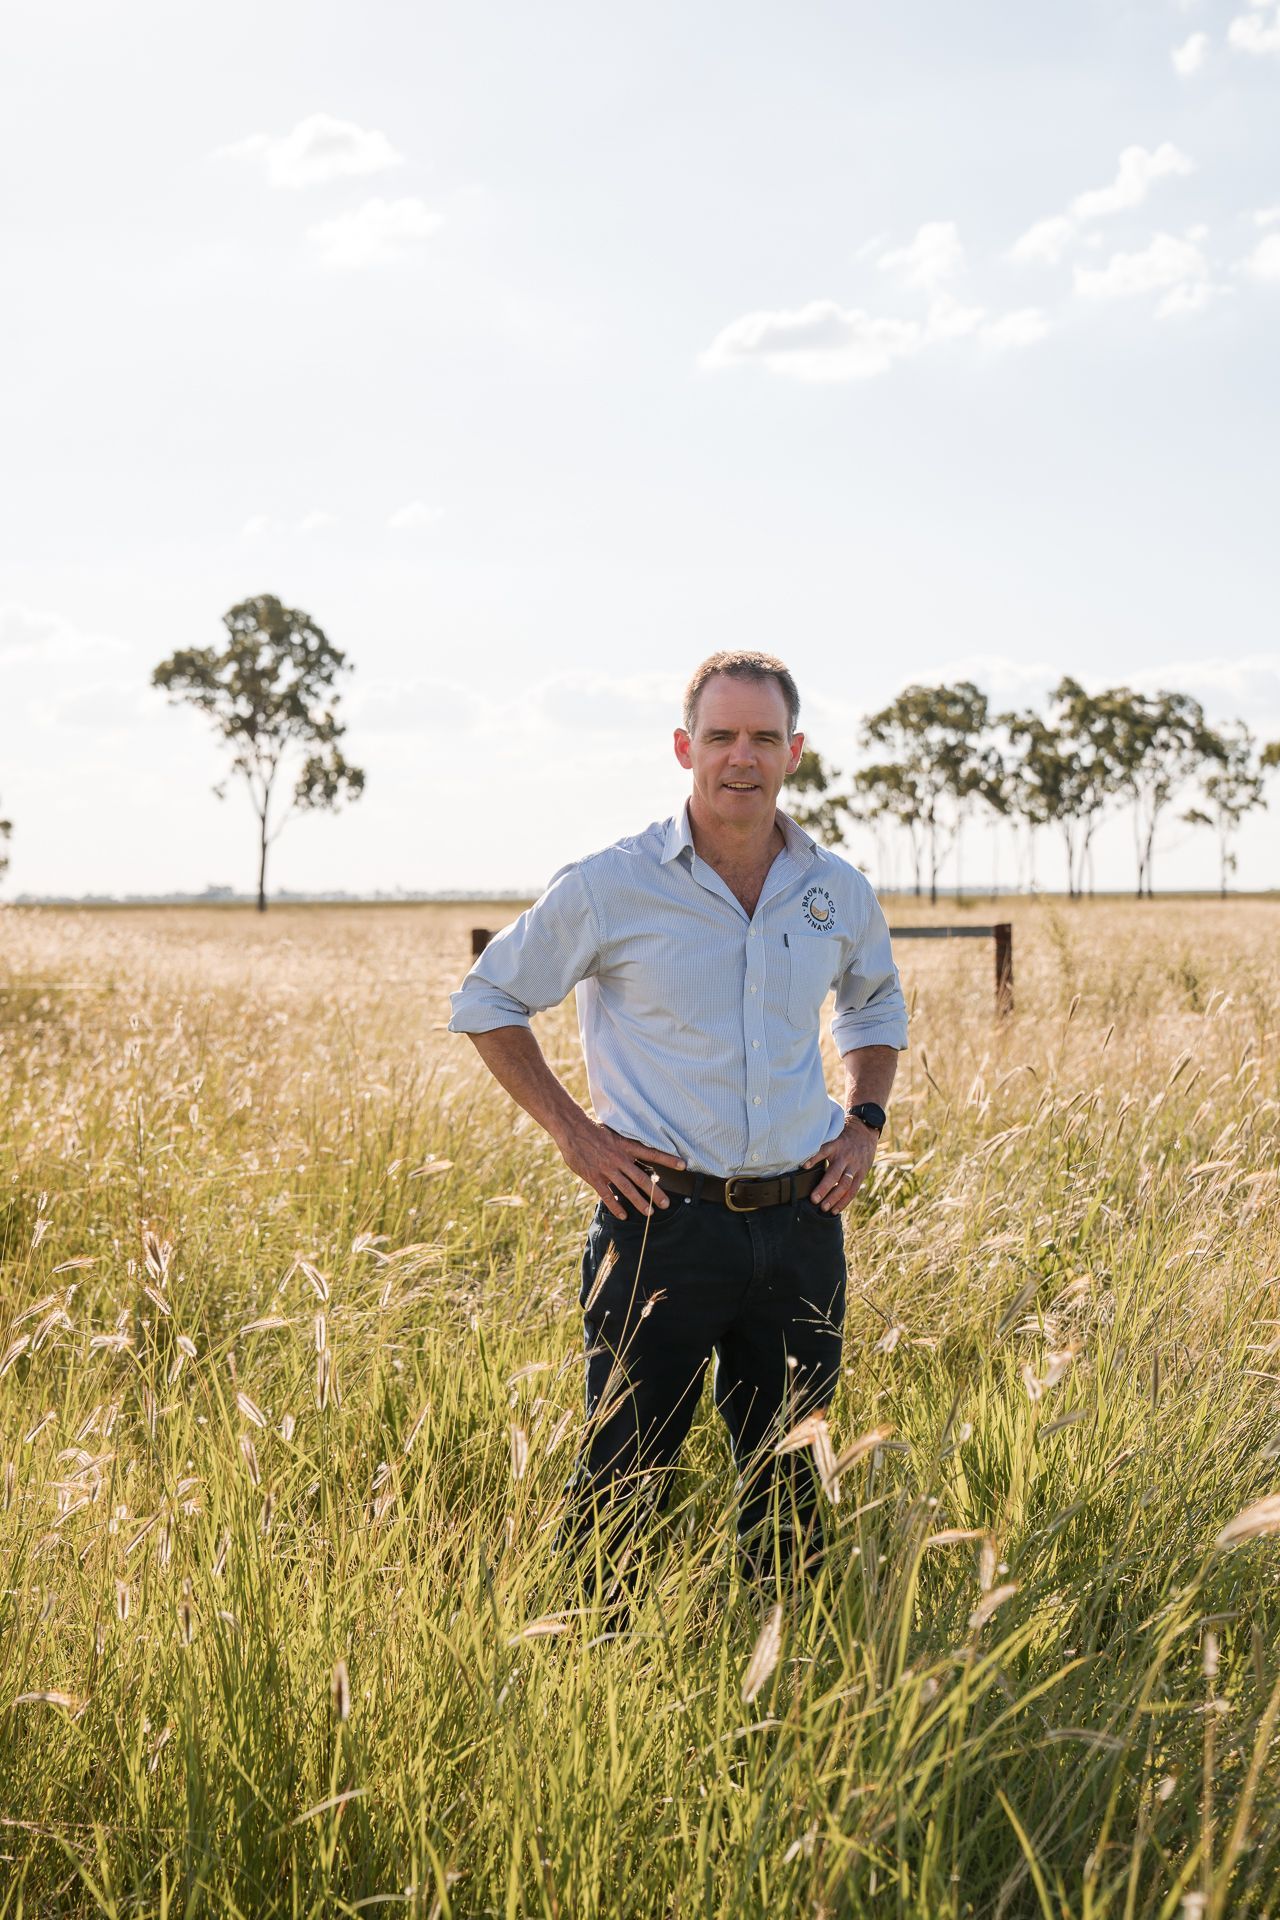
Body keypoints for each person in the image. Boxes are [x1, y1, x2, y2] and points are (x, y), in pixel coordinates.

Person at [448, 651, 908, 1590]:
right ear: (682, 746)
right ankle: (594, 1674)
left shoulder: (836, 891)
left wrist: (864, 1120)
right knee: (622, 1481)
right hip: (660, 1225)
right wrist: (577, 1136)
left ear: (795, 752)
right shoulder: (612, 885)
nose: (743, 757)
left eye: (765, 738)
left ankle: (787, 1689)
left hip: (801, 1224)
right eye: (722, 736)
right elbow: (488, 997)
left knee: (791, 1487)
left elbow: (874, 1006)